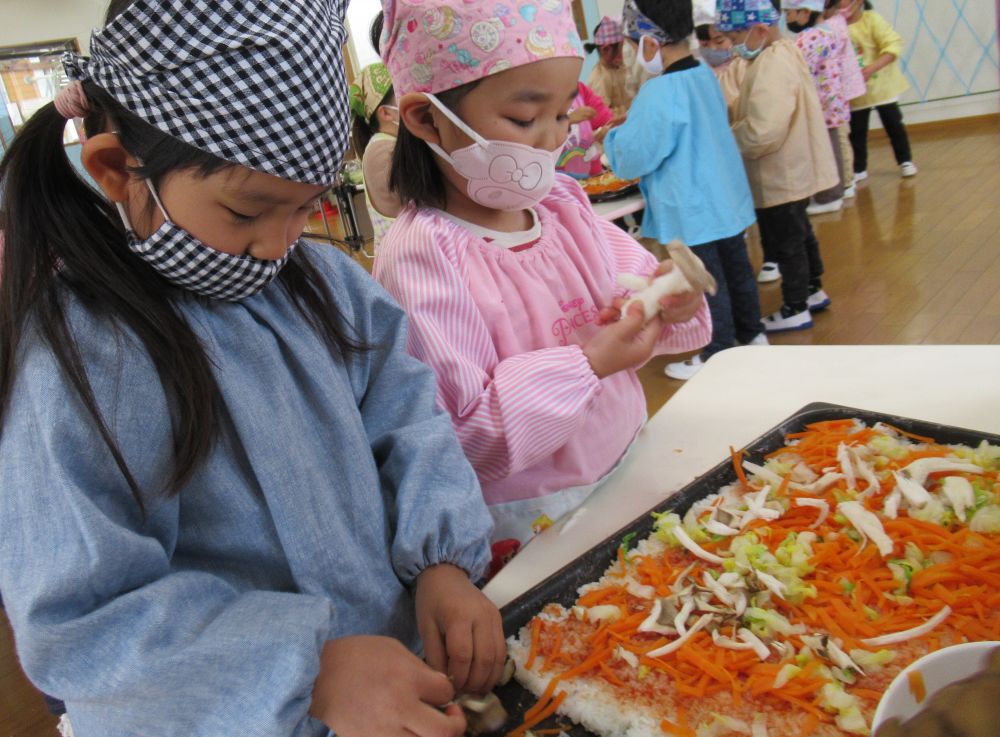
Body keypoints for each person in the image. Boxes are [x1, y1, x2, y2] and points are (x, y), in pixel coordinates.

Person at [0, 1, 506, 735]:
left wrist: (442, 561)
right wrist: (306, 667)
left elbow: (409, 420)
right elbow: (82, 619)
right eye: (247, 212)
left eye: (305, 209)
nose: (278, 245)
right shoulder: (83, 356)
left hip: (391, 688)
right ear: (116, 169)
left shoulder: (326, 285)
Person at [374, 0, 711, 565]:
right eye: (525, 120)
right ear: (427, 119)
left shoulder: (562, 206)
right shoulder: (423, 257)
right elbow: (465, 437)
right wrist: (586, 364)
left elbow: (629, 291)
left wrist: (663, 302)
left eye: (562, 115)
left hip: (629, 456)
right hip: (543, 514)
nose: (550, 141)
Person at [604, 0, 764, 381]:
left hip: (692, 205)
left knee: (702, 279)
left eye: (632, 44)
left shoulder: (659, 93)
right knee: (737, 269)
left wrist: (613, 137)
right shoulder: (704, 74)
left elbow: (633, 157)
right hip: (724, 197)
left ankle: (719, 351)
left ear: (648, 41)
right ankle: (753, 335)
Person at [720, 0, 839, 332]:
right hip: (793, 167)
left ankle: (795, 306)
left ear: (760, 29)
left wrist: (728, 135)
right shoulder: (783, 51)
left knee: (785, 241)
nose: (732, 44)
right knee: (801, 234)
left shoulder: (770, 64)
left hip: (778, 171)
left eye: (736, 35)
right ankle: (813, 290)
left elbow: (763, 130)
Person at [781, 0, 856, 215]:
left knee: (825, 151)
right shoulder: (827, 31)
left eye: (790, 13)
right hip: (830, 101)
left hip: (820, 104)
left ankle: (829, 195)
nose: (787, 18)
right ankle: (834, 191)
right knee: (831, 147)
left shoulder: (811, 36)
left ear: (805, 12)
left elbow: (796, 68)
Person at [843, 0, 917, 180]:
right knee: (857, 131)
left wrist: (873, 68)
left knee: (893, 124)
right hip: (856, 91)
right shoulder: (836, 28)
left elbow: (892, 45)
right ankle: (859, 167)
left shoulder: (872, 20)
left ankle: (905, 160)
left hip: (882, 86)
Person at [350, 61, 402, 249]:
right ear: (386, 113)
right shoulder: (383, 150)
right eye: (404, 92)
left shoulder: (390, 143)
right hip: (406, 264)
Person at [557, 81, 617, 179]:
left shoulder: (579, 88)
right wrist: (567, 121)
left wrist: (607, 130)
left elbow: (607, 119)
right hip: (559, 184)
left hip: (593, 176)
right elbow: (536, 132)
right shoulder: (535, 96)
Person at [695, 22, 747, 115]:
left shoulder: (742, 66)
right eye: (705, 44)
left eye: (719, 42)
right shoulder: (695, 70)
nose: (713, 48)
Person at [584, 16, 633, 115]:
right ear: (606, 50)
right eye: (621, 49)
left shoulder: (621, 67)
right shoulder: (600, 78)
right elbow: (601, 114)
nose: (624, 52)